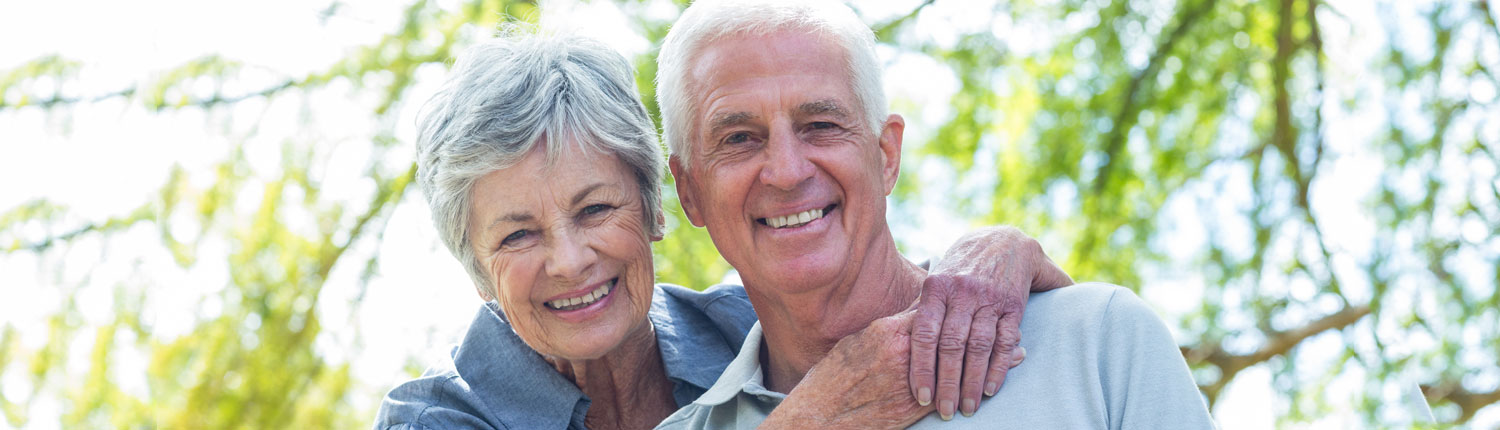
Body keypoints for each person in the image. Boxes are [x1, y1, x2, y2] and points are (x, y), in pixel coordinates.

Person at [373, 28, 1075, 430]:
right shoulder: (435, 419)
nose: (569, 259)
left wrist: (994, 256)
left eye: (594, 210)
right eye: (518, 235)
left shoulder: (741, 324)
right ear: (473, 263)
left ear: (656, 208)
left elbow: (919, 304)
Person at [652, 0, 1218, 428]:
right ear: (690, 192)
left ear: (887, 154)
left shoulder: (1096, 342)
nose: (787, 170)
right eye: (739, 137)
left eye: (821, 125)